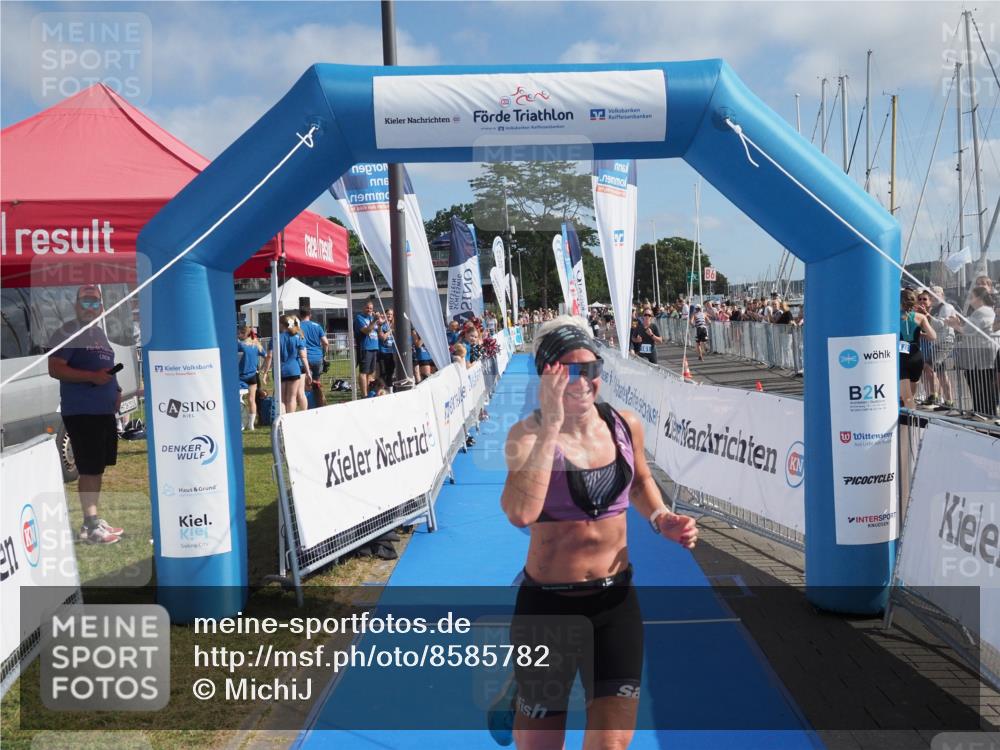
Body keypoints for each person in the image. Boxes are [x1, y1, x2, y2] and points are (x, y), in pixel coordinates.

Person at [492, 317, 698, 749]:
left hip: (615, 601)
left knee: (612, 743)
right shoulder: (526, 437)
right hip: (548, 608)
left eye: (591, 369)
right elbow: (520, 514)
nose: (582, 381)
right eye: (569, 371)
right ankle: (520, 694)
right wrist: (551, 424)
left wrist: (662, 518)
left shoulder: (625, 425)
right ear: (545, 374)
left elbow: (640, 482)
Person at [47, 285, 125, 545]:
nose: (90, 307)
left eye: (95, 303)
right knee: (89, 469)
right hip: (82, 412)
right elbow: (56, 368)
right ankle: (91, 526)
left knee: (96, 469)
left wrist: (116, 389)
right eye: (86, 302)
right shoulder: (68, 332)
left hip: (103, 411)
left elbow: (105, 370)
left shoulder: (98, 334)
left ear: (101, 307)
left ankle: (91, 521)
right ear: (76, 305)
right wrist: (92, 377)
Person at [947, 286, 999, 419]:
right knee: (983, 382)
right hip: (984, 353)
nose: (969, 300)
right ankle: (983, 410)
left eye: (971, 297)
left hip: (981, 354)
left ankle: (983, 411)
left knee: (979, 382)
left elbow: (969, 331)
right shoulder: (985, 311)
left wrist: (955, 326)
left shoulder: (981, 312)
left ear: (979, 298)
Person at [263, 315, 312, 414]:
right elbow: (303, 357)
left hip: (279, 371)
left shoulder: (276, 337)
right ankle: (291, 420)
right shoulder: (298, 337)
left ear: (281, 324)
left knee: (281, 399)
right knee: (292, 398)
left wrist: (265, 372)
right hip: (294, 370)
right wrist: (308, 372)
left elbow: (269, 356)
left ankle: (282, 421)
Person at [898, 289, 936, 410]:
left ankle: (908, 426)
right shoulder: (920, 317)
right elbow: (933, 336)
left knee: (907, 398)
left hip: (902, 357)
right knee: (910, 398)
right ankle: (908, 425)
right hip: (916, 357)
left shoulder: (892, 317)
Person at [918, 287, 956, 410]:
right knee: (941, 374)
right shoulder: (936, 308)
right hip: (938, 343)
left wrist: (926, 315)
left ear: (942, 294)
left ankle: (933, 396)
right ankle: (949, 401)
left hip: (945, 342)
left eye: (936, 294)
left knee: (928, 366)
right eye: (931, 294)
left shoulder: (946, 307)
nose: (933, 296)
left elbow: (939, 325)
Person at [299, 307, 329, 408]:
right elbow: (326, 342)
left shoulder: (298, 326)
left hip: (304, 358)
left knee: (303, 385)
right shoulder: (317, 326)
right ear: (310, 315)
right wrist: (324, 355)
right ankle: (320, 405)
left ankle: (307, 406)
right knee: (317, 384)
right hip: (317, 358)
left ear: (300, 315)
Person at [237, 325, 263, 430]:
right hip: (253, 376)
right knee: (252, 400)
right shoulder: (256, 344)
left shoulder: (240, 345)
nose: (237, 335)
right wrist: (261, 369)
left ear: (244, 334)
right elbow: (266, 355)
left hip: (241, 376)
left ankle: (242, 421)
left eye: (238, 333)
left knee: (239, 399)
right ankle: (251, 425)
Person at [354, 300, 380, 397]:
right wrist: (374, 321)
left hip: (374, 347)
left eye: (371, 308)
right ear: (363, 308)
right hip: (365, 347)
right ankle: (364, 395)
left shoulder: (372, 318)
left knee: (371, 372)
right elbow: (366, 331)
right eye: (367, 308)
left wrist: (379, 322)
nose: (369, 310)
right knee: (363, 372)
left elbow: (377, 330)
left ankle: (369, 393)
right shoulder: (359, 318)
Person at [377, 308, 397, 388]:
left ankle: (389, 388)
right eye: (388, 314)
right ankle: (383, 389)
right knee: (383, 373)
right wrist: (390, 331)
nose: (389, 315)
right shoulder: (382, 325)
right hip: (383, 352)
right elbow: (382, 338)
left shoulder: (393, 325)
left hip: (391, 352)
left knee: (391, 372)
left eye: (391, 314)